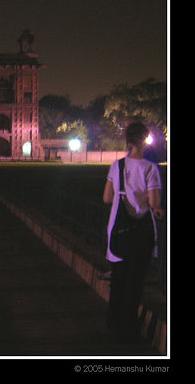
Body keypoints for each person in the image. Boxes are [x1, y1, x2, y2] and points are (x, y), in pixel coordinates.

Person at [102, 122, 164, 343]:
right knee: (135, 282)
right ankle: (129, 328)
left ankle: (113, 323)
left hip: (118, 231)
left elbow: (107, 198)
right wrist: (146, 199)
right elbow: (154, 203)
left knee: (118, 280)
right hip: (141, 234)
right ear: (145, 140)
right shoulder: (150, 169)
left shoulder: (116, 166)